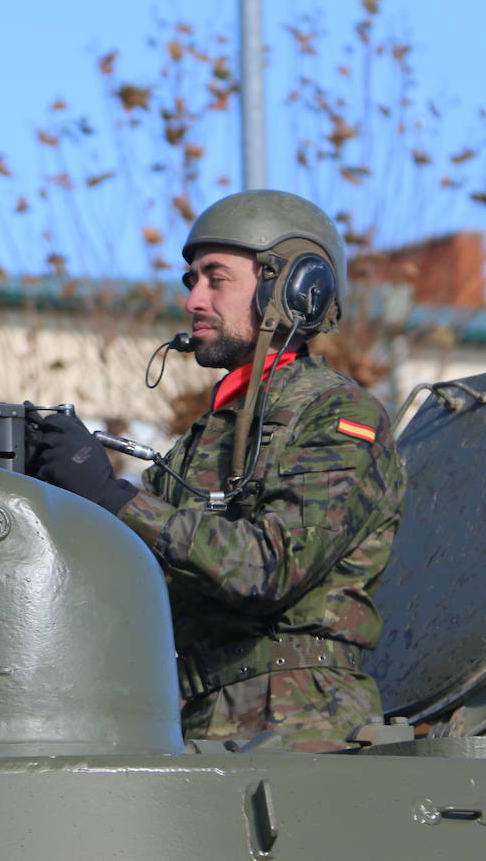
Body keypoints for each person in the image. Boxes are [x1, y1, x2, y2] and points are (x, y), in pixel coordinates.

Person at [28, 189, 406, 751]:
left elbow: (269, 567)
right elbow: (136, 578)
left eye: (215, 278)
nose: (193, 300)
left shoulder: (339, 414)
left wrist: (112, 497)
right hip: (192, 721)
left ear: (294, 288)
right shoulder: (207, 437)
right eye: (191, 281)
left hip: (301, 730)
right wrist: (57, 494)